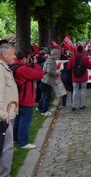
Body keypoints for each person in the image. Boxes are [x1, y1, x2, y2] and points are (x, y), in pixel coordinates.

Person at [12, 51, 44, 149]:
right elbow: (39, 75)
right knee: (25, 121)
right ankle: (23, 142)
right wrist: (35, 64)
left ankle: (16, 138)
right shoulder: (22, 69)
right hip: (25, 98)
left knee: (18, 119)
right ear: (24, 59)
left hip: (18, 97)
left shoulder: (14, 66)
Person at [0, 43, 19, 176]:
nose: (15, 56)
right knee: (6, 148)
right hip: (4, 116)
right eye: (13, 53)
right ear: (5, 54)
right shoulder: (1, 69)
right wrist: (3, 113)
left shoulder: (4, 67)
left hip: (7, 113)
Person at [67, 45, 91, 110]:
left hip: (75, 77)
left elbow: (69, 67)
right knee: (83, 90)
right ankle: (82, 105)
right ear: (82, 50)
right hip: (83, 76)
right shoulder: (85, 57)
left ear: (76, 50)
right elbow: (90, 66)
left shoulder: (72, 58)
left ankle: (74, 105)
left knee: (75, 90)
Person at [39, 49, 61, 117]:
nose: (59, 56)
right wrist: (57, 72)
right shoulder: (51, 61)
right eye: (58, 54)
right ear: (55, 54)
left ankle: (40, 107)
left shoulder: (50, 60)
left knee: (45, 95)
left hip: (46, 81)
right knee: (47, 96)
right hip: (47, 81)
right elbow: (49, 71)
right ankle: (44, 111)